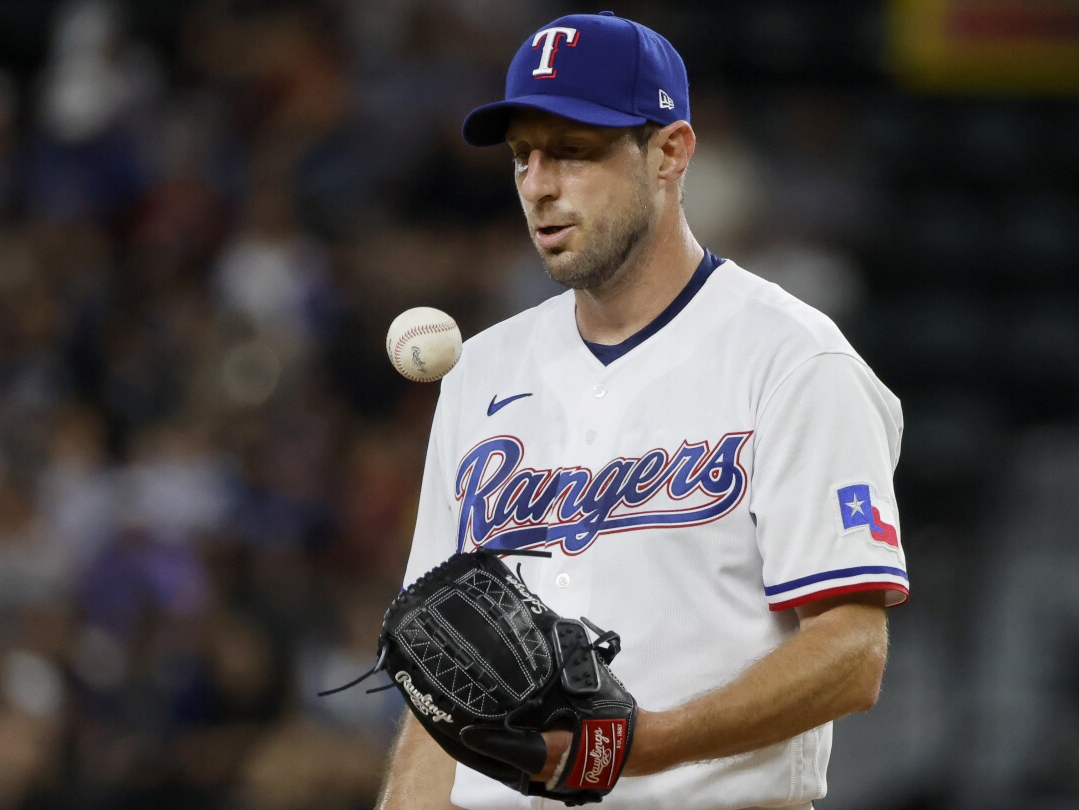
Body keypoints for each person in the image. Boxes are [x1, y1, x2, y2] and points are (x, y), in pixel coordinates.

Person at [378, 11, 908, 810]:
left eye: (574, 153)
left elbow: (851, 651)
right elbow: (439, 671)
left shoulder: (795, 360)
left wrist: (642, 746)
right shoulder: (482, 371)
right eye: (523, 156)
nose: (539, 185)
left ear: (670, 153)